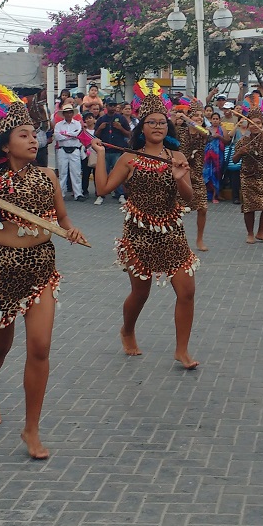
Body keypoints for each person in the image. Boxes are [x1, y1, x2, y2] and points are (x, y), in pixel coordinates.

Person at [0, 86, 86, 459]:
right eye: (24, 135)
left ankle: (31, 428)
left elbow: (63, 217)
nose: (33, 140)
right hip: (0, 271)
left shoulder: (49, 177)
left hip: (41, 269)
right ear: (5, 145)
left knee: (39, 347)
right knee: (0, 345)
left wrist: (71, 229)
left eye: (34, 135)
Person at [91, 83, 199, 369]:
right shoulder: (130, 158)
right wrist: (101, 155)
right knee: (141, 292)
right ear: (142, 127)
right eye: (151, 122)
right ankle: (127, 329)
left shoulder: (177, 158)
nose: (158, 126)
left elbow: (190, 197)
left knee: (187, 290)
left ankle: (182, 350)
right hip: (139, 234)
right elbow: (102, 188)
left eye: (162, 122)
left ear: (167, 127)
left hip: (172, 232)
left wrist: (179, 177)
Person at [233, 109, 263, 244]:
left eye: (258, 123)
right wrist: (240, 152)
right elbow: (234, 160)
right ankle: (250, 233)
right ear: (248, 126)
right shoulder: (243, 140)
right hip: (248, 176)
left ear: (262, 124)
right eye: (252, 123)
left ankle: (261, 232)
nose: (254, 126)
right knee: (249, 206)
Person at [174, 104, 210, 251]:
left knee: (202, 208)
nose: (199, 118)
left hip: (197, 175)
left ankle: (199, 239)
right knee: (176, 210)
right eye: (196, 115)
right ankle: (176, 238)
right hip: (181, 174)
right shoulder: (180, 132)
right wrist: (175, 118)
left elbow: (205, 133)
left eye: (201, 116)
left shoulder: (203, 133)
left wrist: (186, 118)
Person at [94, 99, 131, 205]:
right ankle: (100, 195)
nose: (112, 107)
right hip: (104, 151)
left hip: (117, 151)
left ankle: (120, 195)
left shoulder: (121, 119)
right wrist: (100, 129)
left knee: (118, 174)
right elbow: (95, 136)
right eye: (110, 105)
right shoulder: (102, 119)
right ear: (106, 106)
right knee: (102, 173)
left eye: (114, 105)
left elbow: (129, 134)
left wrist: (120, 128)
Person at [53, 104, 83, 200]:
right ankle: (61, 194)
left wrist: (65, 135)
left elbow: (78, 134)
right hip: (62, 150)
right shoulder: (59, 125)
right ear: (64, 114)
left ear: (72, 113)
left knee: (76, 173)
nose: (69, 114)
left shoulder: (77, 124)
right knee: (62, 173)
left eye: (70, 112)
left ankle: (78, 194)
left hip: (74, 149)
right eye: (67, 112)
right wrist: (71, 135)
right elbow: (57, 137)